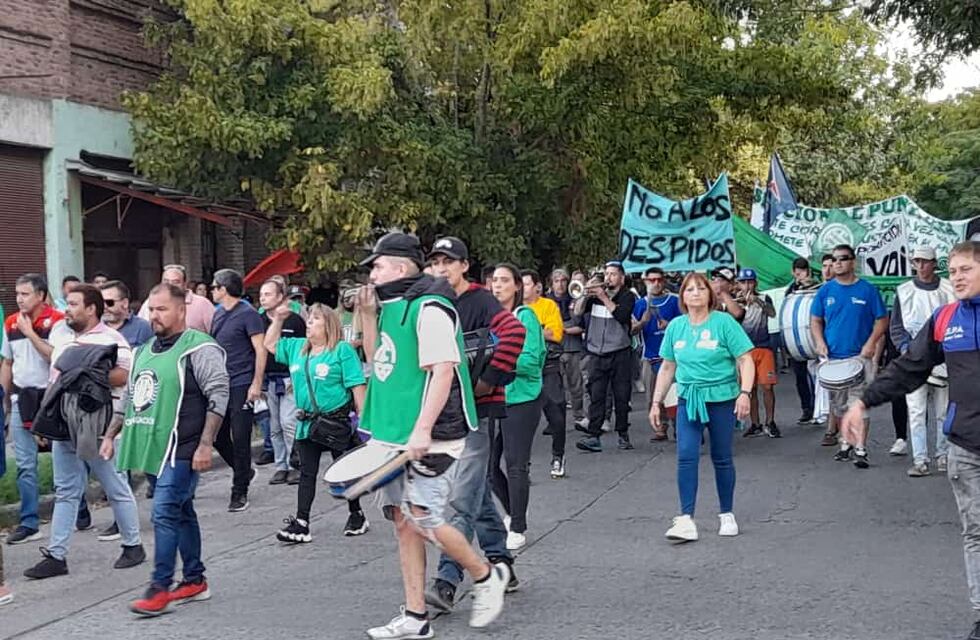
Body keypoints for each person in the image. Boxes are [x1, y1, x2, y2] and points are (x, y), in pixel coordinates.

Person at [355, 233, 508, 637]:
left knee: (424, 519)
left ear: (400, 268)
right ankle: (415, 616)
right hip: (395, 432)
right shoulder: (391, 307)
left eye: (377, 266)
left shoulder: (430, 308)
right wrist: (368, 317)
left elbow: (443, 370)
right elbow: (379, 360)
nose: (372, 273)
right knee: (403, 523)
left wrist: (423, 429)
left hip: (433, 433)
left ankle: (484, 574)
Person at [841, 240, 980, 640]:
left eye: (965, 269)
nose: (956, 277)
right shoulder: (945, 319)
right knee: (975, 532)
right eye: (952, 270)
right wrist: (863, 401)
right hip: (965, 445)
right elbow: (909, 367)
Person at [105, 282, 229, 616]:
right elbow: (132, 397)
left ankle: (158, 588)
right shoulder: (144, 349)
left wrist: (206, 445)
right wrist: (111, 433)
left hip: (183, 448)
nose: (154, 315)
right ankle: (194, 579)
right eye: (151, 309)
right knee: (182, 512)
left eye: (161, 309)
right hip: (151, 446)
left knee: (163, 513)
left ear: (181, 310)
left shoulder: (200, 348)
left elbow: (219, 396)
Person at [425, 237, 525, 612]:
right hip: (443, 414)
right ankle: (502, 563)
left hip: (477, 413)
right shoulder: (432, 303)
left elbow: (514, 333)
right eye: (435, 262)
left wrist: (487, 380)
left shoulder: (480, 300)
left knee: (460, 497)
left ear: (464, 265)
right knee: (477, 490)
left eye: (448, 261)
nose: (441, 268)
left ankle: (447, 580)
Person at [22, 284, 145, 579]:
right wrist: (44, 421)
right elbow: (55, 383)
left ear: (91, 309)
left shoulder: (112, 339)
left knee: (114, 484)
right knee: (66, 490)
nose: (68, 309)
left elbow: (124, 376)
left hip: (98, 425)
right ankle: (56, 555)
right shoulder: (65, 341)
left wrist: (88, 372)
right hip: (65, 425)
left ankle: (133, 545)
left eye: (74, 304)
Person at [650, 272, 754, 542]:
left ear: (709, 294)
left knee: (721, 456)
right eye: (689, 289)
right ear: (682, 296)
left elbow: (745, 359)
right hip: (688, 399)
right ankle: (686, 519)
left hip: (721, 398)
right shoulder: (676, 326)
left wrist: (745, 393)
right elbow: (668, 366)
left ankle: (726, 514)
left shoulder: (724, 323)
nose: (695, 293)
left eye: (700, 288)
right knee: (686, 455)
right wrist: (656, 402)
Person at [265, 302, 368, 540]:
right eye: (308, 319)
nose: (309, 323)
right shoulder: (298, 348)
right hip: (307, 423)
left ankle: (356, 513)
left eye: (316, 320)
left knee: (343, 470)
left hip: (335, 421)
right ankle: (302, 522)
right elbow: (269, 345)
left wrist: (363, 420)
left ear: (328, 325)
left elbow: (356, 384)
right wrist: (278, 320)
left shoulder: (342, 350)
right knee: (306, 473)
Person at [810, 244, 888, 468]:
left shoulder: (867, 290)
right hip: (834, 359)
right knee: (839, 406)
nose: (837, 263)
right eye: (834, 259)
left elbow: (882, 320)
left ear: (853, 261)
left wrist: (871, 343)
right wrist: (820, 342)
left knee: (859, 404)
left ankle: (861, 449)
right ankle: (845, 443)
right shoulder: (825, 291)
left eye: (843, 259)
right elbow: (815, 320)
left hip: (860, 358)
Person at [1, 274, 65, 545]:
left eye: (25, 294)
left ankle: (77, 510)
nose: (19, 299)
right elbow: (7, 361)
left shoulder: (58, 321)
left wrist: (31, 334)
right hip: (22, 398)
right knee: (26, 465)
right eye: (17, 293)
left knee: (65, 459)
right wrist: (4, 398)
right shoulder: (11, 322)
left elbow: (56, 356)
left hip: (51, 397)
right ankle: (29, 521)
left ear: (40, 295)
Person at [489, 263, 545, 551]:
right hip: (494, 398)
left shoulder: (526, 317)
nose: (497, 285)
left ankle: (518, 526)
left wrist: (495, 358)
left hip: (522, 398)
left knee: (515, 463)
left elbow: (531, 361)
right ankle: (513, 511)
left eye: (504, 280)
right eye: (494, 280)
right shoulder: (493, 319)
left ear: (516, 287)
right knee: (487, 466)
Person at [890, 246, 956, 476]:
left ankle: (943, 455)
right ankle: (920, 459)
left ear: (934, 263)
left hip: (943, 357)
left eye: (925, 261)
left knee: (943, 411)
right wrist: (906, 348)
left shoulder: (949, 289)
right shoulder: (904, 290)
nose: (921, 266)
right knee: (916, 411)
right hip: (914, 358)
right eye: (917, 261)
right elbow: (897, 327)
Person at [210, 268, 266, 511]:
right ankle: (243, 470)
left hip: (242, 381)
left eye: (214, 286)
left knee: (241, 436)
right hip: (221, 383)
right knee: (217, 435)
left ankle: (239, 490)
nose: (212, 290)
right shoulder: (219, 314)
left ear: (224, 288)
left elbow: (260, 349)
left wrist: (256, 382)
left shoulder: (248, 314)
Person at [575, 261, 637, 452]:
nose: (608, 277)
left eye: (613, 274)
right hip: (597, 353)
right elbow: (577, 312)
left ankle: (623, 434)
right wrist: (585, 293)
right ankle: (593, 436)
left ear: (621, 277)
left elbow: (621, 315)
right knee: (597, 395)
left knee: (621, 395)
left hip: (620, 352)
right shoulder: (594, 297)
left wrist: (604, 297)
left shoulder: (627, 296)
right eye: (606, 274)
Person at [259, 278, 306, 485]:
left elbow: (303, 350)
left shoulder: (294, 320)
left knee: (289, 422)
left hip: (288, 377)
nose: (263, 298)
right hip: (268, 378)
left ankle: (296, 463)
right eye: (261, 294)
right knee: (274, 425)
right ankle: (281, 466)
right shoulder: (259, 320)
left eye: (268, 294)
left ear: (280, 297)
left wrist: (298, 377)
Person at [522, 269, 568, 478]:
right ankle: (523, 464)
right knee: (521, 421)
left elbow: (555, 334)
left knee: (556, 416)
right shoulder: (514, 309)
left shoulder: (548, 306)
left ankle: (558, 456)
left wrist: (525, 331)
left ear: (537, 286)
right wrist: (539, 331)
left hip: (547, 367)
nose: (523, 289)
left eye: (527, 284)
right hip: (521, 370)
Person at [632, 266, 681, 440]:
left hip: (672, 357)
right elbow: (631, 329)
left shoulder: (674, 301)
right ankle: (660, 427)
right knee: (652, 395)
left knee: (673, 393)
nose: (656, 283)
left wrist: (670, 325)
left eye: (659, 279)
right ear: (645, 282)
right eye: (652, 280)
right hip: (649, 355)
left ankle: (678, 426)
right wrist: (642, 323)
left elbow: (686, 324)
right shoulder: (640, 304)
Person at [733, 269, 779, 438]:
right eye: (743, 282)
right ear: (738, 284)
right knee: (749, 389)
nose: (747, 285)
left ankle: (770, 421)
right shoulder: (736, 302)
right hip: (745, 351)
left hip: (764, 347)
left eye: (750, 282)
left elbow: (772, 313)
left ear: (755, 283)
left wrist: (757, 301)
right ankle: (755, 423)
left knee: (767, 387)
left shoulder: (764, 298)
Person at [548, 268, 587, 430]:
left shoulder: (575, 299)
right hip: (552, 348)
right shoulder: (546, 301)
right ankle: (555, 421)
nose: (560, 284)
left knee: (576, 385)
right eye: (556, 281)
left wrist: (560, 328)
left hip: (572, 347)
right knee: (554, 387)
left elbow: (580, 323)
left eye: (563, 280)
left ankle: (579, 416)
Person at [785, 257, 818, 423]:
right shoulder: (790, 289)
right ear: (793, 272)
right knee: (800, 377)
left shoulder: (817, 286)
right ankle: (807, 408)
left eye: (803, 272)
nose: (800, 276)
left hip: (813, 337)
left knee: (817, 376)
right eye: (797, 273)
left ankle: (819, 408)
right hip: (796, 340)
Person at [138, 264, 215, 333]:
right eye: (166, 282)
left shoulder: (202, 304)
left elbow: (215, 333)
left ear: (185, 284)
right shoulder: (150, 303)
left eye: (175, 282)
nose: (170, 285)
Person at [100, 280, 153, 349]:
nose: (104, 307)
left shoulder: (143, 327)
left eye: (109, 302)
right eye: (101, 302)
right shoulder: (95, 327)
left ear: (125, 303)